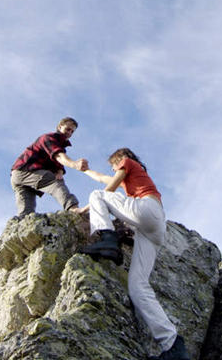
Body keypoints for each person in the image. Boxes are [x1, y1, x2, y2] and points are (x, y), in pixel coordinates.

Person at [79, 148, 190, 360]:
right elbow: (104, 178)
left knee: (97, 195)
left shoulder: (128, 162)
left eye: (114, 165)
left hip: (146, 210)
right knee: (138, 286)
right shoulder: (134, 175)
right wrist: (86, 170)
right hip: (154, 229)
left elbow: (108, 188)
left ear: (121, 159)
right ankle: (173, 346)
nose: (113, 169)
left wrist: (85, 209)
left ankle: (108, 240)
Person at [10, 117, 89, 217]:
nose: (69, 133)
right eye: (68, 129)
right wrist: (75, 164)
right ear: (60, 127)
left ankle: (23, 225)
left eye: (72, 131)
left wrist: (60, 171)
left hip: (18, 176)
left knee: (26, 213)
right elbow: (59, 156)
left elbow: (58, 163)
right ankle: (73, 209)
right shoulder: (49, 138)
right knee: (54, 181)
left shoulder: (59, 146)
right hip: (25, 171)